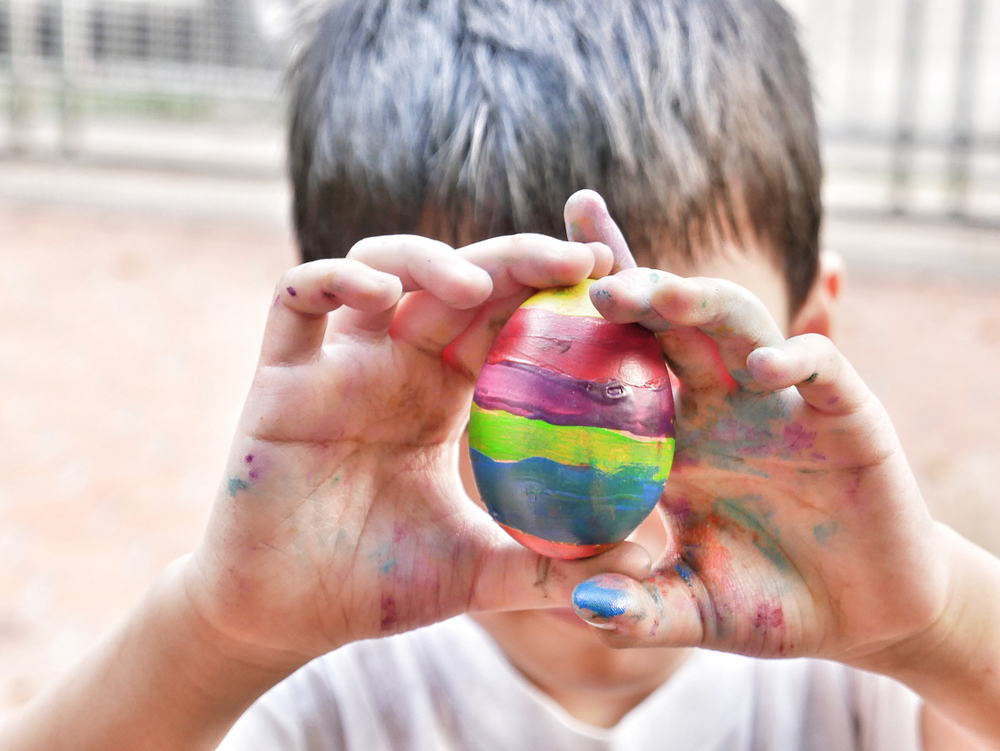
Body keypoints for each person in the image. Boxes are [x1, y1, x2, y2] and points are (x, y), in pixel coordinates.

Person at [2, 0, 998, 749]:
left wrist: (938, 618)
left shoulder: (877, 688)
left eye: (659, 354)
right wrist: (216, 632)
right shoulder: (319, 695)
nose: (587, 410)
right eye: (497, 359)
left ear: (806, 332)